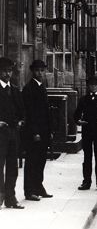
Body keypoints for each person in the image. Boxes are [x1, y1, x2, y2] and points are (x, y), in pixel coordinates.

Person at [74, 76, 97, 191]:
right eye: (91, 85)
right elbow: (76, 114)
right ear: (88, 86)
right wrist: (79, 121)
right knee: (87, 157)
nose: (94, 87)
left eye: (96, 85)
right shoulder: (83, 100)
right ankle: (86, 182)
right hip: (87, 131)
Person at [22, 59, 52, 201]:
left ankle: (38, 186)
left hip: (44, 131)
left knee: (41, 160)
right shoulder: (29, 89)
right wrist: (35, 132)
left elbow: (46, 112)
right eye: (37, 70)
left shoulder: (42, 86)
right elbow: (30, 113)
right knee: (32, 161)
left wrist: (49, 130)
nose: (40, 73)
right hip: (35, 132)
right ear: (32, 71)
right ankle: (29, 190)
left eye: (42, 70)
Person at [0, 57, 25, 209]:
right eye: (4, 71)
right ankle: (0, 196)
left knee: (12, 167)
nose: (7, 74)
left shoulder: (15, 90)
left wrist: (21, 121)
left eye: (9, 71)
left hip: (13, 134)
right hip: (0, 133)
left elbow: (22, 111)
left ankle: (11, 197)